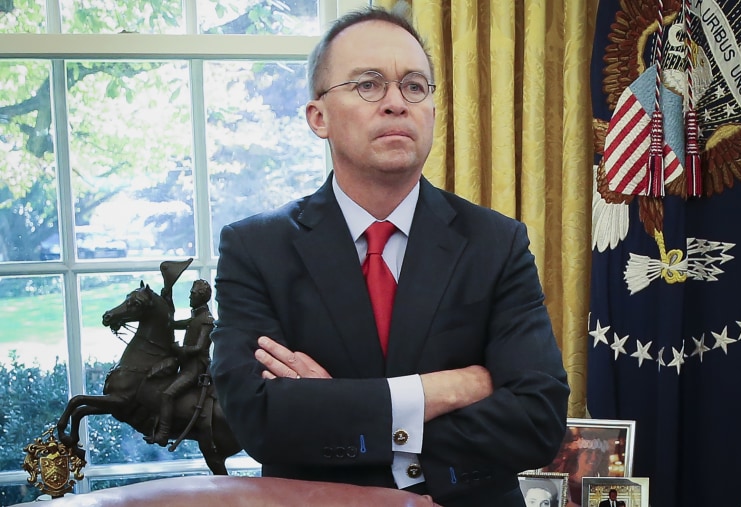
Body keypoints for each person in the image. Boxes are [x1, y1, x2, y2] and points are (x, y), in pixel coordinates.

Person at [209, 6, 569, 507]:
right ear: (319, 117)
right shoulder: (255, 249)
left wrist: (339, 408)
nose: (396, 103)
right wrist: (445, 389)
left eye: (414, 86)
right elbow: (261, 421)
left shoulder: (497, 242)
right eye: (368, 84)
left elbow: (538, 421)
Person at [147, 279, 214, 446]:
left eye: (192, 293)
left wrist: (179, 349)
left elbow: (199, 347)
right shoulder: (196, 316)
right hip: (187, 365)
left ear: (200, 296)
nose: (189, 296)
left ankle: (163, 434)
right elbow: (172, 324)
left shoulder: (207, 320)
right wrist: (167, 299)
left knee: (167, 394)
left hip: (195, 368)